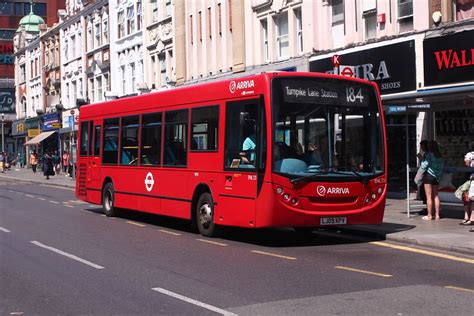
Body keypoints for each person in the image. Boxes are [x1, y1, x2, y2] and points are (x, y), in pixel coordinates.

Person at [420, 140, 444, 220]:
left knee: (429, 197)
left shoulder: (429, 155)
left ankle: (429, 215)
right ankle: (437, 215)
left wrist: (421, 160)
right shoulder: (440, 155)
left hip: (429, 176)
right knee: (436, 195)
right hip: (437, 177)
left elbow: (424, 166)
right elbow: (441, 167)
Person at [460, 142, 474, 226]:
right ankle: (471, 217)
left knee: (467, 198)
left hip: (470, 179)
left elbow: (466, 163)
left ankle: (468, 217)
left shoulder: (469, 154)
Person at [417, 140, 429, 214]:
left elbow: (424, 165)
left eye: (422, 146)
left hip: (426, 176)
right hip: (427, 175)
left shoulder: (427, 154)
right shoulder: (427, 154)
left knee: (424, 193)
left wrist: (420, 158)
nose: (421, 148)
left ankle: (427, 209)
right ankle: (426, 208)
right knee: (424, 193)